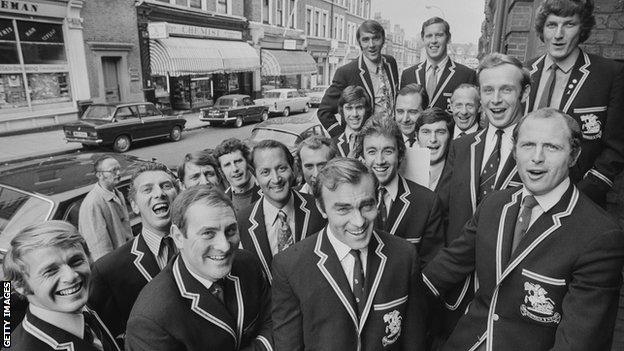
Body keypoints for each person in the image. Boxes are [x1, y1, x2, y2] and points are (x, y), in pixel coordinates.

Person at [423, 108, 624, 351]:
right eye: (528, 145)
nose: (537, 157)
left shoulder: (599, 236)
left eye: (552, 147)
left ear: (573, 155)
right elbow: (443, 269)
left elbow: (577, 343)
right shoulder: (494, 206)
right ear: (515, 151)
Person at [272, 157, 428, 350]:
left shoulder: (404, 256)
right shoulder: (289, 266)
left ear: (378, 200)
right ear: (321, 208)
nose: (359, 222)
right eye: (344, 209)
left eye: (366, 206)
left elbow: (415, 341)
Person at [435, 53, 527, 342]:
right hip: (457, 289)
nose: (496, 100)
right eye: (488, 90)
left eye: (506, 90)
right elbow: (443, 212)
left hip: (510, 292)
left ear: (524, 93)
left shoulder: (536, 152)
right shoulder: (462, 147)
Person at [125, 185, 273, 351]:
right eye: (208, 233)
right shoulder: (150, 320)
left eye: (230, 230)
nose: (224, 246)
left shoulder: (247, 264)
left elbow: (274, 323)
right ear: (178, 237)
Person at [525, 0, 624, 208]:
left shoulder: (609, 74)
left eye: (569, 24)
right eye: (552, 25)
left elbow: (616, 147)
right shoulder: (525, 71)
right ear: (542, 29)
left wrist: (586, 191)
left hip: (579, 197)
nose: (558, 34)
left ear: (582, 29)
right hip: (523, 192)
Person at [88, 163, 180, 341]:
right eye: (147, 189)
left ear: (178, 196)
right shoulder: (108, 270)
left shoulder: (201, 245)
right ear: (135, 206)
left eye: (166, 186)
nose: (159, 193)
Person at [5, 220, 120, 351]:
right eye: (50, 271)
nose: (71, 276)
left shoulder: (89, 307)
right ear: (21, 285)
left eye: (76, 261)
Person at [355, 117, 444, 267]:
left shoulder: (427, 202)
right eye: (371, 152)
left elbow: (432, 264)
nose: (380, 160)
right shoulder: (351, 201)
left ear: (400, 154)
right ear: (362, 157)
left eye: (388, 151)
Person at [237, 140, 326, 282]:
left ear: (293, 169)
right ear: (256, 176)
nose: (276, 179)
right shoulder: (243, 221)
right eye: (265, 172)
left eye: (281, 168)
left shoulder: (319, 208)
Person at [318, 20, 399, 137]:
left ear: (383, 40)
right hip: (363, 145)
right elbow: (324, 112)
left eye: (376, 38)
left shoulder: (391, 63)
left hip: (391, 139)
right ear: (359, 43)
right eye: (365, 40)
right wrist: (343, 138)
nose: (371, 45)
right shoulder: (346, 72)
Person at [400, 17, 477, 111]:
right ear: (423, 39)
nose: (433, 41)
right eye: (429, 36)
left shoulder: (466, 75)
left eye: (439, 35)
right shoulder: (408, 75)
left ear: (448, 38)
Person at [78, 155, 132, 260]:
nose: (118, 173)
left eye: (119, 169)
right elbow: (100, 249)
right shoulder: (92, 204)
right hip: (115, 265)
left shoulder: (117, 193)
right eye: (113, 171)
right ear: (99, 175)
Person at [214, 138, 262, 213]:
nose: (234, 169)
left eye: (238, 161)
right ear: (221, 171)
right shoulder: (222, 201)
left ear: (247, 162)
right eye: (227, 165)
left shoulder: (266, 189)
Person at [415, 108, 453, 192]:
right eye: (426, 132)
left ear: (450, 137)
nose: (433, 139)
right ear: (417, 137)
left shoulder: (458, 175)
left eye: (440, 132)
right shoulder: (403, 172)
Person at [334, 85, 373, 158]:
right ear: (342, 110)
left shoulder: (375, 140)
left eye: (359, 107)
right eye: (349, 108)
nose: (355, 114)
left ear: (366, 109)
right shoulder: (333, 145)